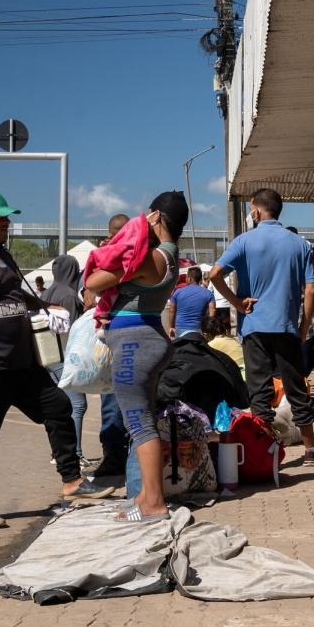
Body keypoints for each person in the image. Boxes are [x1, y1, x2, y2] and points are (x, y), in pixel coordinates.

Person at [0, 190, 113, 528]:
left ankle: (72, 482)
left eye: (8, 216)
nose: (7, 222)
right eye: (0, 216)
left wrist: (46, 308)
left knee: (58, 407)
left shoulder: (2, 255)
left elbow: (15, 295)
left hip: (23, 362)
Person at [208, 188, 314, 466]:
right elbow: (311, 290)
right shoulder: (300, 244)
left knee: (259, 389)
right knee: (295, 387)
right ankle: (311, 449)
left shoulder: (244, 241)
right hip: (286, 326)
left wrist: (237, 303)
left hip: (253, 326)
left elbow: (214, 274)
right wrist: (303, 325)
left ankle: (264, 451)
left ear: (255, 210)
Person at [85, 191, 189, 522]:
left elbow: (94, 281)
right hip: (144, 338)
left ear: (156, 217)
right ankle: (146, 495)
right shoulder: (169, 255)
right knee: (143, 421)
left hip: (135, 344)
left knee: (139, 423)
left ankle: (154, 504)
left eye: (148, 215)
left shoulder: (154, 257)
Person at [89, 213, 134, 483]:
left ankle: (114, 456)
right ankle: (126, 456)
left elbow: (89, 292)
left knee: (111, 398)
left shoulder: (110, 256)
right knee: (130, 399)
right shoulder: (138, 253)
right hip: (133, 334)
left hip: (113, 335)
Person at [40, 254, 90, 468]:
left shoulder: (47, 291)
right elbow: (71, 329)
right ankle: (75, 454)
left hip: (48, 355)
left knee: (58, 407)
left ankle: (57, 452)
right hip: (65, 355)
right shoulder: (68, 294)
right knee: (77, 405)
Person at [169, 265, 215, 339]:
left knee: (181, 349)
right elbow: (212, 311)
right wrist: (208, 329)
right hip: (199, 329)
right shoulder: (208, 293)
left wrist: (171, 327)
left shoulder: (177, 292)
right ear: (200, 279)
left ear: (189, 278)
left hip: (180, 328)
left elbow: (172, 311)